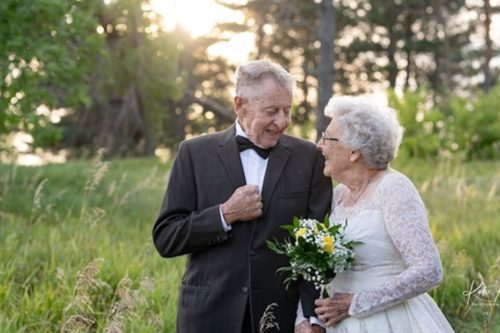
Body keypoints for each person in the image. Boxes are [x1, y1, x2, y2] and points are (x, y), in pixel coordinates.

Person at [152, 59, 332, 333]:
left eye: (287, 110)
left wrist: (310, 316)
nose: (282, 121)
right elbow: (166, 237)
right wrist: (225, 214)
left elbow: (317, 246)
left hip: (281, 319)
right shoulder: (194, 154)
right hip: (208, 316)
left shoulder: (309, 159)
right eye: (272, 111)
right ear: (240, 105)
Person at [296, 95, 455, 332]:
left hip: (391, 321)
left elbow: (429, 269)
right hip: (339, 324)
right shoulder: (339, 194)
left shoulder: (394, 188)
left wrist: (356, 303)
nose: (320, 146)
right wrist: (305, 318)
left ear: (353, 152)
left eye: (327, 138)